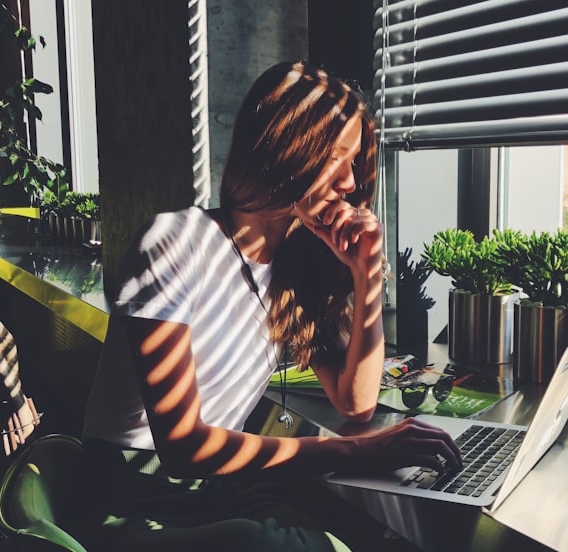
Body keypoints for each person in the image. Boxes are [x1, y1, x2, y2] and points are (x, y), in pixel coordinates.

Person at [82, 60, 461, 551]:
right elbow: (180, 446)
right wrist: (352, 452)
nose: (349, 182)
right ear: (285, 148)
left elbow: (356, 401)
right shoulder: (176, 242)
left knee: (360, 534)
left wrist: (366, 275)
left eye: (354, 162)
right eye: (336, 158)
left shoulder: (291, 267)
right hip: (131, 497)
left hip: (213, 492)